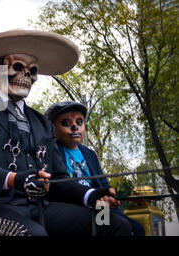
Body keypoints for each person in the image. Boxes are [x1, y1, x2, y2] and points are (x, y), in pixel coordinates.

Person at [0, 29, 131, 236]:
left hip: (40, 210)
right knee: (34, 235)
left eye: (32, 70)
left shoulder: (41, 122)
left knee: (111, 223)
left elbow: (58, 179)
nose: (26, 75)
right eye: (17, 67)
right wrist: (14, 179)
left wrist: (92, 194)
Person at [45, 101, 145, 236]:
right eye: (66, 123)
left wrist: (109, 196)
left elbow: (103, 184)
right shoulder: (49, 151)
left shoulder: (90, 154)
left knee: (136, 229)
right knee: (117, 226)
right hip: (73, 206)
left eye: (79, 122)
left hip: (100, 205)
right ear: (52, 128)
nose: (75, 127)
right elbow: (56, 188)